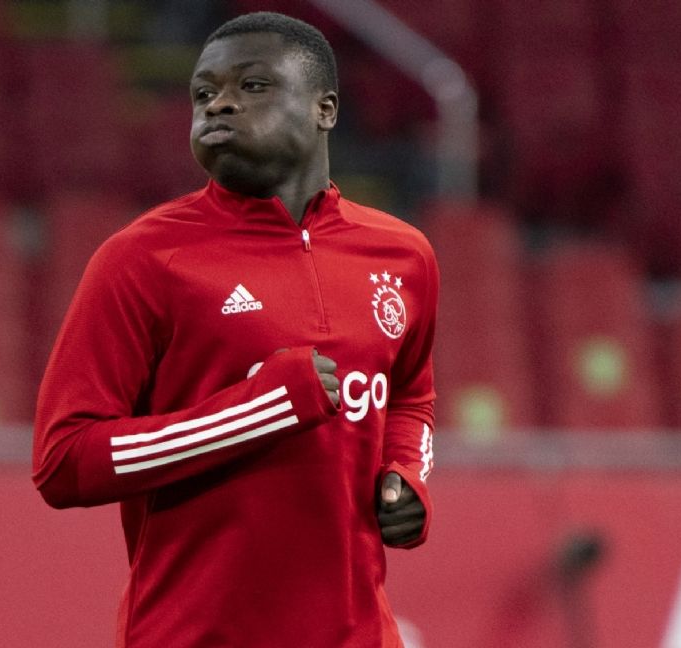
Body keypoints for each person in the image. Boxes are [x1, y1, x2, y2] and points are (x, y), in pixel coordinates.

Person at [33, 11, 438, 647]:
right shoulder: (143, 258)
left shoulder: (403, 254)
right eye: (204, 93)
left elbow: (411, 394)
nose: (218, 103)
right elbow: (63, 461)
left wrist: (406, 472)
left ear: (325, 109)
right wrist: (259, 410)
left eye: (252, 86)